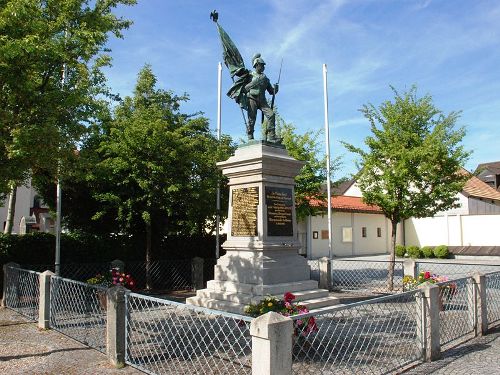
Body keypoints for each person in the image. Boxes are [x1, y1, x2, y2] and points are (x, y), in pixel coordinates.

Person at [243, 53, 279, 142]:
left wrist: (276, 89)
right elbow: (244, 88)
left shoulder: (265, 78)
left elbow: (271, 92)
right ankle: (250, 135)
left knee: (271, 115)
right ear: (256, 65)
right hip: (252, 98)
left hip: (262, 100)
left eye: (263, 66)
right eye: (261, 65)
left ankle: (271, 136)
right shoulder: (249, 75)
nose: (263, 67)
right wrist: (255, 82)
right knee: (252, 118)